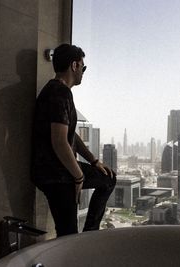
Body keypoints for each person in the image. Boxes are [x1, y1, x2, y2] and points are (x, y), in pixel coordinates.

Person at [32, 44, 116, 237]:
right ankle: (88, 236)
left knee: (108, 178)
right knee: (68, 234)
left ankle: (88, 236)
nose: (83, 73)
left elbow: (69, 134)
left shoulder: (54, 90)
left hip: (53, 171)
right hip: (57, 174)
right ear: (74, 65)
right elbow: (60, 142)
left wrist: (94, 161)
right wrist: (78, 176)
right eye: (83, 67)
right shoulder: (60, 93)